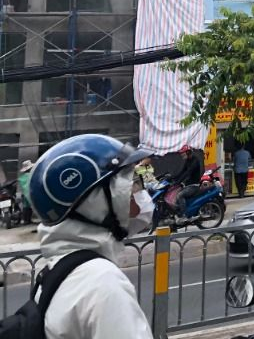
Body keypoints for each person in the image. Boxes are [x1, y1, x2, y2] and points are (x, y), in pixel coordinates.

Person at [27, 133, 155, 338]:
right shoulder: (101, 283)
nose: (138, 197)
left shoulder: (61, 271)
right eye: (130, 186)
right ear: (95, 203)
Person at [17, 159, 33, 224]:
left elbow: (21, 187)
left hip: (24, 194)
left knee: (26, 207)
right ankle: (29, 220)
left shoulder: (21, 177)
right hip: (31, 193)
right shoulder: (31, 175)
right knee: (31, 207)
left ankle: (26, 220)